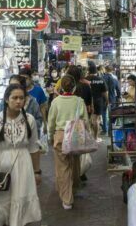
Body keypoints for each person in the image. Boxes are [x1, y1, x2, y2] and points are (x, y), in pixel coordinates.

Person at [0, 84, 42, 226]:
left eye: (21, 98)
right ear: (6, 99)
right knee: (3, 207)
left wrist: (37, 171)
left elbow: (34, 147)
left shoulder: (30, 120)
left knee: (22, 204)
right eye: (14, 98)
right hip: (1, 168)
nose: (18, 101)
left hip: (24, 166)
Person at [47, 75, 90, 210]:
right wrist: (87, 134)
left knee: (62, 166)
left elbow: (51, 122)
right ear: (74, 87)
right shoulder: (79, 101)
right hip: (76, 135)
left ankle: (67, 199)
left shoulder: (56, 102)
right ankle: (73, 188)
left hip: (60, 135)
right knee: (75, 164)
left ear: (60, 87)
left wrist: (50, 136)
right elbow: (86, 121)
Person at [87, 63, 108, 142]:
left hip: (87, 102)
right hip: (98, 101)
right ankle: (95, 138)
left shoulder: (85, 79)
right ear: (96, 71)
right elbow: (105, 93)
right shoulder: (100, 79)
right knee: (96, 120)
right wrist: (107, 101)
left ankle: (88, 138)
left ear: (88, 71)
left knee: (87, 119)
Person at [101, 65, 121, 133]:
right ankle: (110, 130)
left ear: (105, 70)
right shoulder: (114, 79)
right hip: (112, 98)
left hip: (103, 98)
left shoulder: (102, 78)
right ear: (112, 70)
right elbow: (118, 90)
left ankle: (104, 129)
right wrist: (118, 97)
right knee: (112, 114)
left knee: (103, 114)